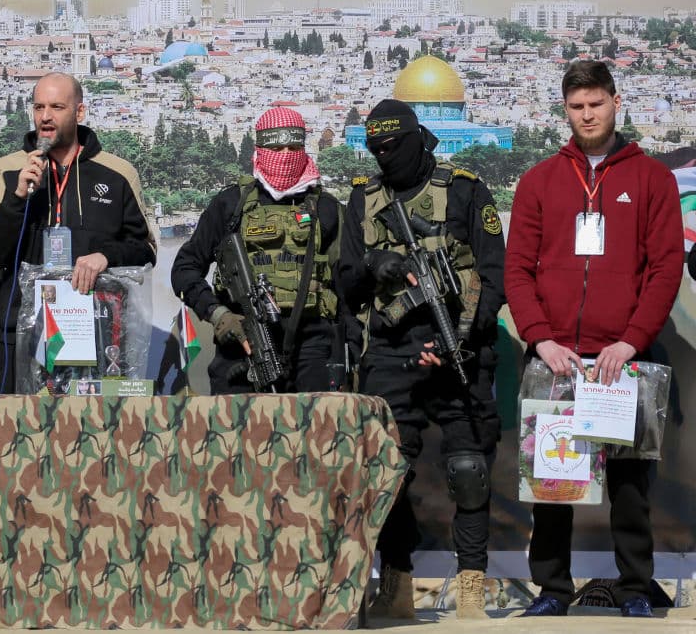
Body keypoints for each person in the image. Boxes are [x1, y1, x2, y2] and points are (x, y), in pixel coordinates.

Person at [505, 60, 683, 618]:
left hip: (621, 361)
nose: (587, 115)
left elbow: (665, 268)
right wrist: (540, 338)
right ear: (565, 110)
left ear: (615, 101)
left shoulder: (652, 178)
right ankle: (552, 590)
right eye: (577, 107)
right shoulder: (539, 180)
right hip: (557, 359)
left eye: (596, 104)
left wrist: (630, 341)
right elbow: (517, 270)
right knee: (554, 483)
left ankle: (634, 589)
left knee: (631, 484)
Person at [339, 99, 505, 619]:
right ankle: (396, 583)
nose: (386, 156)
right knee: (388, 470)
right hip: (390, 350)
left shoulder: (465, 191)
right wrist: (375, 265)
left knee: (468, 465)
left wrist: (464, 337)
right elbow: (344, 282)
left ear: (418, 138)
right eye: (376, 149)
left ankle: (473, 583)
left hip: (458, 345)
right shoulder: (363, 200)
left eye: (394, 146)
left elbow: (496, 275)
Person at [0, 72, 156, 392]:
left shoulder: (117, 173)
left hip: (97, 333)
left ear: (79, 112)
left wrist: (106, 256)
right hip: (22, 334)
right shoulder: (7, 170)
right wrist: (17, 198)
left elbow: (146, 249)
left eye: (57, 107)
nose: (45, 116)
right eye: (38, 107)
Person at [171, 107, 346, 394]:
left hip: (311, 350)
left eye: (294, 147)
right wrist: (219, 316)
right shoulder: (231, 205)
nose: (285, 155)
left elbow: (346, 284)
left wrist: (343, 357)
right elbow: (184, 269)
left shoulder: (326, 209)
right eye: (276, 148)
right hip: (241, 345)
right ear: (260, 149)